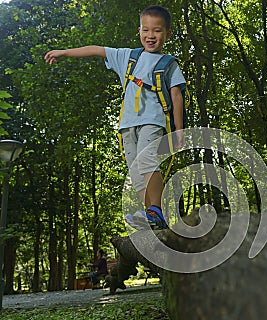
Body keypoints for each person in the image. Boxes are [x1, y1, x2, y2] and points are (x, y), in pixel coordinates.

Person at [44, 5, 186, 229]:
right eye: (146, 30)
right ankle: (150, 218)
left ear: (167, 34)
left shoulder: (169, 63)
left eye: (157, 31)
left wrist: (178, 130)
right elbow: (96, 50)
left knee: (147, 161)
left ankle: (155, 209)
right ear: (139, 30)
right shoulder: (128, 56)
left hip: (153, 121)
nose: (151, 36)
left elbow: (176, 95)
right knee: (136, 170)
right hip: (127, 125)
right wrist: (64, 52)